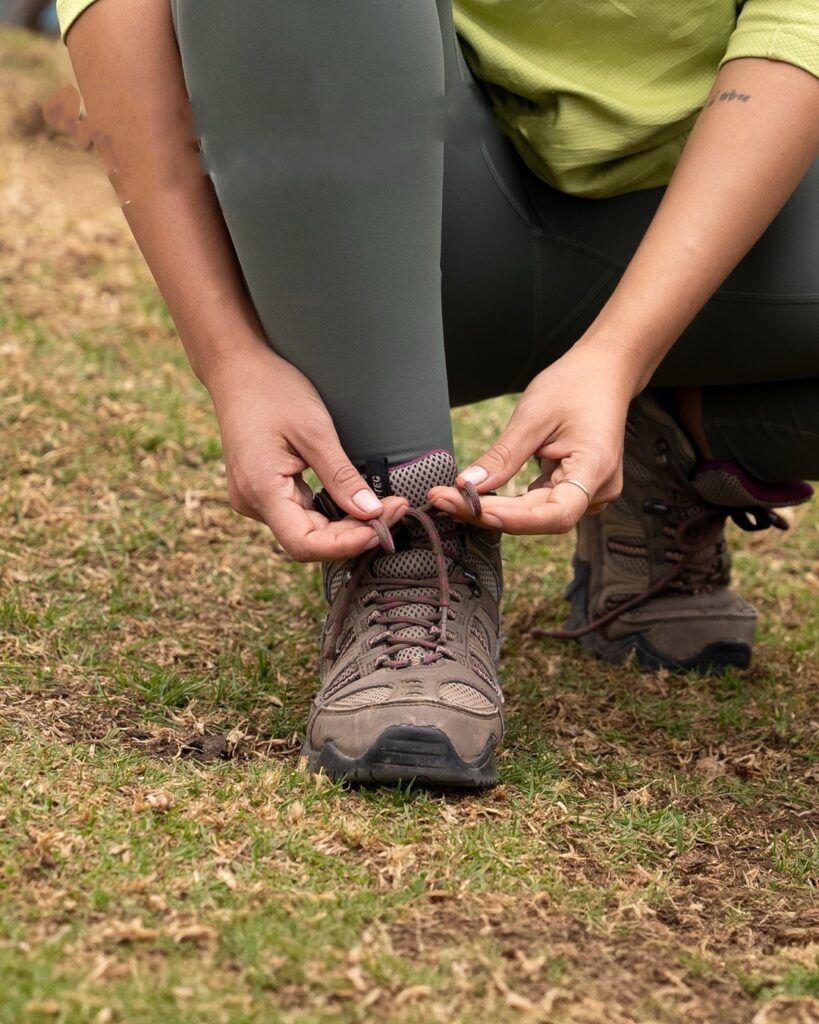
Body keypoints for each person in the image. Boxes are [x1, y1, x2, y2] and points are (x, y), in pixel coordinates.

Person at [58, 0, 818, 788]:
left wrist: (620, 355)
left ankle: (682, 436)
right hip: (405, 205)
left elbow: (796, 30)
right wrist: (227, 357)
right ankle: (401, 522)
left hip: (736, 219)